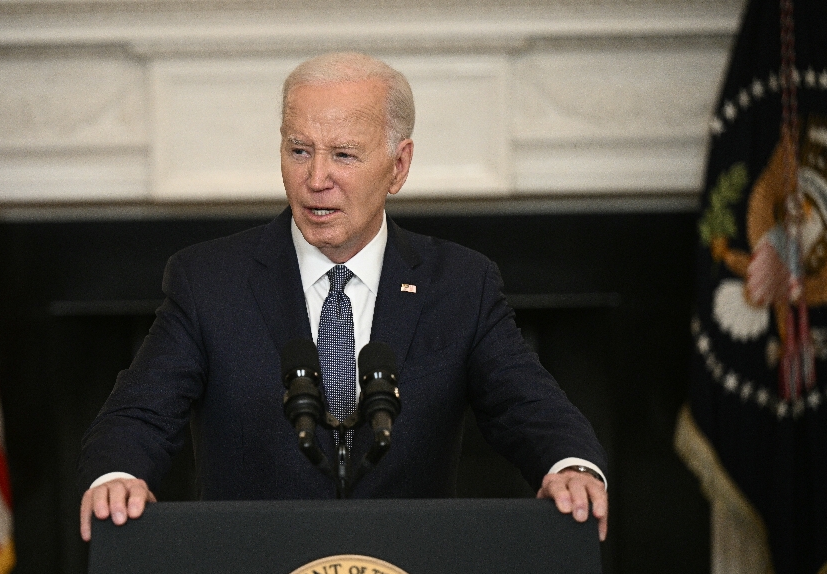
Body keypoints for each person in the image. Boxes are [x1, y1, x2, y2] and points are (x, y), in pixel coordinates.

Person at [79, 53, 609, 542]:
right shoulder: (208, 281)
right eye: (299, 151)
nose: (316, 179)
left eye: (344, 155)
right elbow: (139, 415)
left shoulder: (461, 285)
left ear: (398, 166)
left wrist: (570, 466)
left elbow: (527, 405)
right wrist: (118, 476)